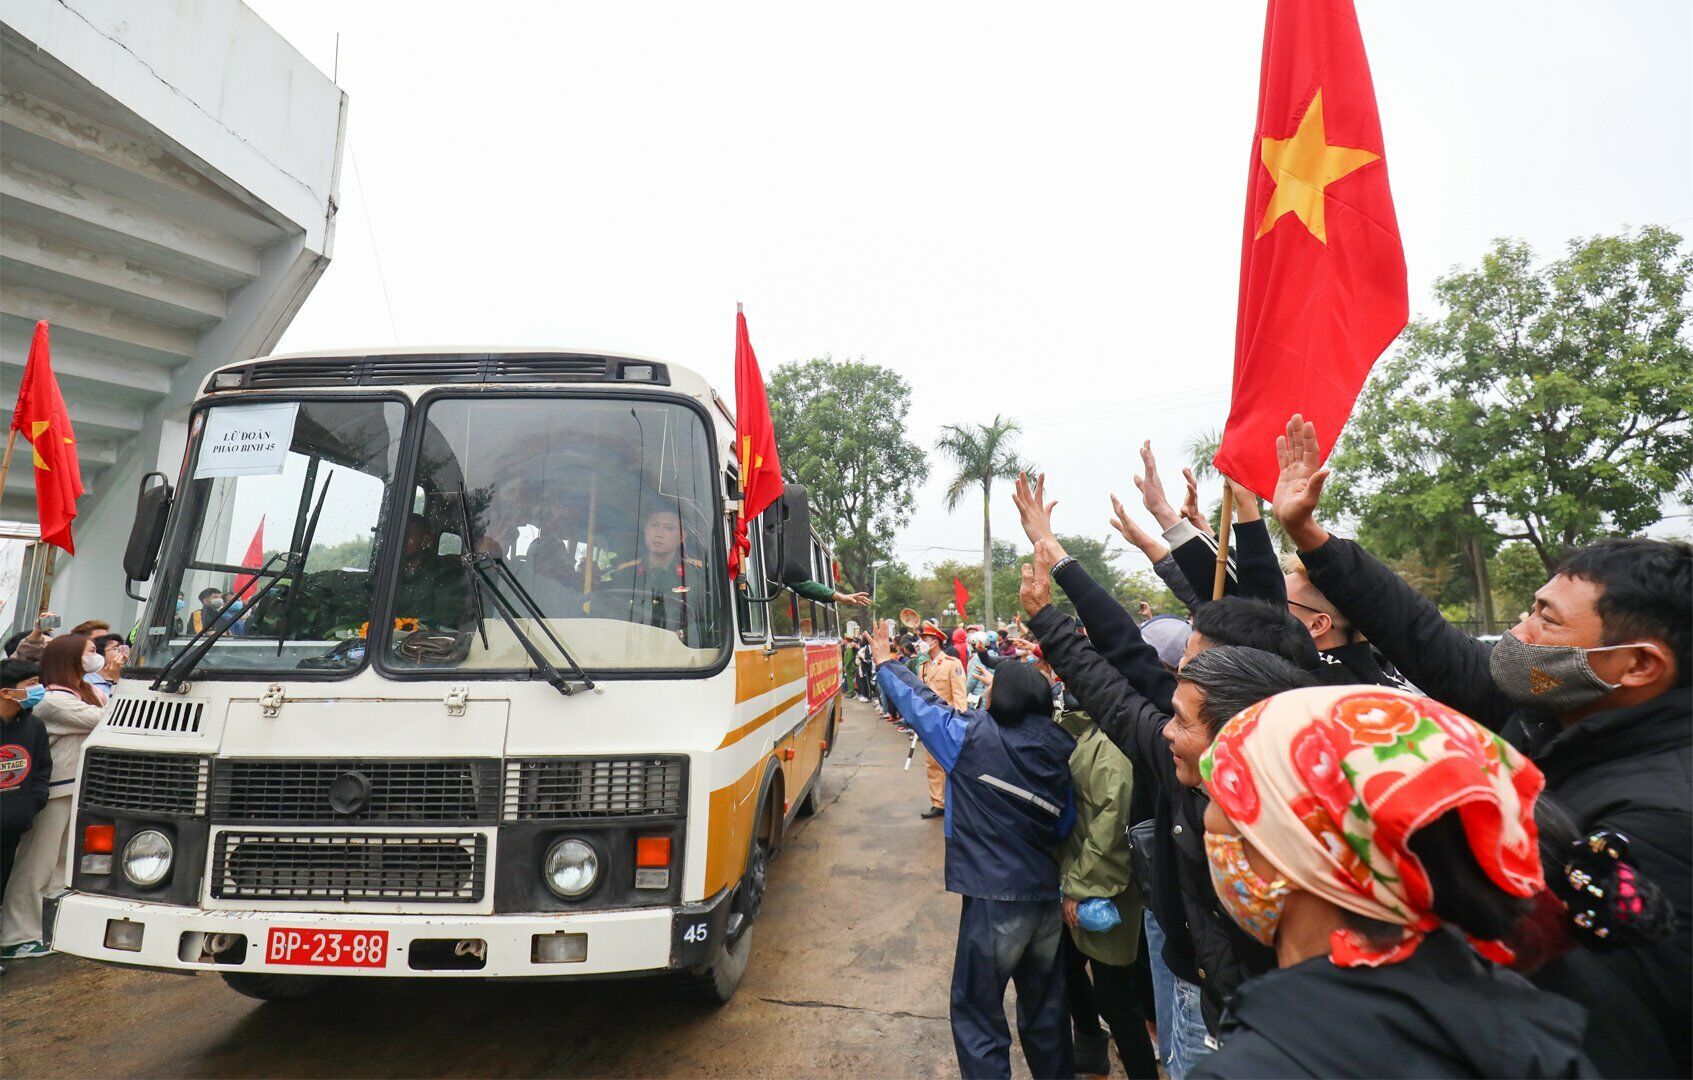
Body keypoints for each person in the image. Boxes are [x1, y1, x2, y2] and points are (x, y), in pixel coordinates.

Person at [1271, 412, 1691, 1077]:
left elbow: (1617, 1024)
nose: (1517, 633)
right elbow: (1430, 643)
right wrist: (1312, 539)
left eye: (1545, 619)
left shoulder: (1661, 821)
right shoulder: (1551, 710)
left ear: (1638, 664)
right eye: (1529, 607)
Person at [1188, 685, 1594, 1079]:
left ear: (1304, 853)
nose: (1213, 835)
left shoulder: (1258, 1065)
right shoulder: (1522, 1023)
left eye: (1226, 808)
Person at [872, 621, 1078, 1080]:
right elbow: (1067, 824)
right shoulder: (1065, 749)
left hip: (993, 902)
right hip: (1045, 899)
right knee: (1047, 1012)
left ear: (997, 698)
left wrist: (887, 664)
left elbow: (920, 707)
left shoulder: (969, 739)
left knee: (979, 1015)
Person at [1051, 667, 1159, 1079]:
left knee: (1118, 1002)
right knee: (1068, 971)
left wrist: (1079, 888)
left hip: (1105, 891)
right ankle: (1092, 1048)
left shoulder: (1112, 750)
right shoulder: (1092, 731)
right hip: (1080, 882)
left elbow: (1111, 830)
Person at [0, 635, 105, 959]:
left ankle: (45, 927)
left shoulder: (83, 691)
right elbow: (104, 720)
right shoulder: (52, 699)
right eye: (90, 651)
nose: (96, 656)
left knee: (60, 865)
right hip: (54, 789)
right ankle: (16, 934)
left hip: (76, 788)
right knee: (36, 864)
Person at [0, 659, 49, 950]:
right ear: (6, 692)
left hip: (11, 826)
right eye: (31, 685)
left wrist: (32, 804)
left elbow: (42, 768)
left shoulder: (34, 726)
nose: (39, 689)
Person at [915, 620, 966, 819]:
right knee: (932, 764)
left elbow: (960, 697)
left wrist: (959, 723)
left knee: (952, 765)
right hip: (930, 723)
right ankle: (938, 803)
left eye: (925, 639)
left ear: (935, 641)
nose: (922, 643)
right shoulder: (923, 666)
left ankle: (957, 804)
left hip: (948, 722)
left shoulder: (952, 665)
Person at [84, 633, 126, 703]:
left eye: (122, 649)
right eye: (115, 648)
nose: (122, 653)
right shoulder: (86, 681)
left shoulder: (127, 678)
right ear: (100, 654)